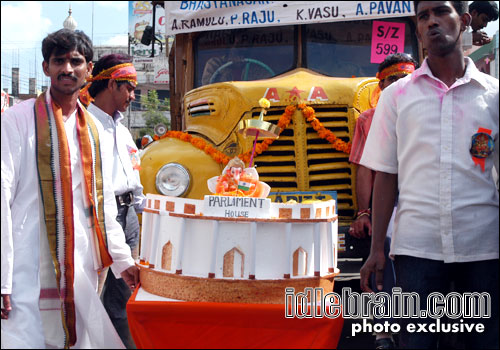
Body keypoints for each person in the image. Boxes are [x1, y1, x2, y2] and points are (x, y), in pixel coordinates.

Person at [359, 1, 498, 349]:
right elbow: (386, 175)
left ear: (464, 20)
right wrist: (377, 250)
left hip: (483, 248)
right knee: (416, 344)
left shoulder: (493, 97)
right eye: (423, 17)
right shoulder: (396, 97)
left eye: (441, 12)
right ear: (417, 29)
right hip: (416, 250)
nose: (432, 22)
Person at [1, 29, 139, 348]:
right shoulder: (17, 120)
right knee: (24, 338)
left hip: (77, 263)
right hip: (24, 262)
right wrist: (3, 276)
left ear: (89, 69)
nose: (67, 69)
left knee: (75, 340)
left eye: (75, 61)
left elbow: (101, 206)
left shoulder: (93, 131)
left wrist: (122, 260)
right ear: (46, 67)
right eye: (58, 61)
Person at [349, 53, 417, 350]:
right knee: (385, 255)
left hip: (423, 198)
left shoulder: (428, 111)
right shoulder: (369, 119)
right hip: (387, 201)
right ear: (381, 84)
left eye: (406, 78)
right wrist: (364, 211)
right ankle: (384, 331)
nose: (400, 85)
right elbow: (365, 169)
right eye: (393, 79)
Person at [83, 53, 146, 349]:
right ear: (112, 84)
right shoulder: (84, 127)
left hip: (128, 217)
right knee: (92, 293)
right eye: (129, 88)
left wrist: (147, 212)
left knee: (124, 294)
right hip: (98, 217)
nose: (133, 96)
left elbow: (134, 178)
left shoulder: (122, 130)